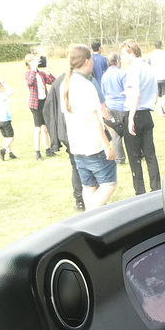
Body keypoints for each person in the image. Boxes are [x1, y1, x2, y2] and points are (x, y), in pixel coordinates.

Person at [60, 44, 117, 210]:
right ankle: (89, 216)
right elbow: (93, 119)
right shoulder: (86, 85)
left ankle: (91, 219)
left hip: (77, 145)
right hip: (93, 146)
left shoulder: (66, 83)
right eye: (91, 59)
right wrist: (107, 146)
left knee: (89, 186)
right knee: (109, 184)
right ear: (86, 62)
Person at [119, 39, 161, 196]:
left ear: (131, 52)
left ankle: (140, 192)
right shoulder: (148, 68)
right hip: (147, 114)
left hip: (135, 114)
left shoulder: (133, 69)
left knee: (134, 157)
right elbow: (153, 94)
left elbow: (136, 93)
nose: (123, 58)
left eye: (124, 54)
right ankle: (156, 188)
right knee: (150, 155)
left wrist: (130, 119)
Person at [43, 70, 85, 211]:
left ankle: (80, 200)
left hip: (65, 131)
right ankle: (83, 198)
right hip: (76, 130)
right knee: (85, 164)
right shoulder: (80, 80)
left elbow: (48, 109)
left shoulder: (58, 82)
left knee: (77, 165)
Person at [24, 54, 56, 160]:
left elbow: (52, 81)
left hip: (44, 102)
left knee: (45, 128)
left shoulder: (41, 73)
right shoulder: (28, 73)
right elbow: (30, 82)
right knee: (37, 129)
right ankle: (37, 153)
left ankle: (48, 150)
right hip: (35, 104)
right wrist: (33, 69)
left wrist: (48, 72)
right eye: (34, 60)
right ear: (29, 62)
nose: (37, 62)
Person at [101, 52, 127, 165]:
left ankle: (119, 158)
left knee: (116, 133)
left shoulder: (104, 75)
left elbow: (103, 93)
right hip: (123, 106)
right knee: (129, 132)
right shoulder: (122, 74)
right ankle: (135, 154)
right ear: (117, 61)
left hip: (110, 107)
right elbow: (128, 90)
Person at [0, 78, 17, 161]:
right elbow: (12, 91)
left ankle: (10, 153)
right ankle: (3, 150)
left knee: (5, 137)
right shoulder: (1, 96)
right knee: (11, 137)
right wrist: (4, 83)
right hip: (5, 118)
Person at [146, 40, 165, 115]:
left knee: (159, 94)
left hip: (155, 77)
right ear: (161, 45)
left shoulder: (151, 55)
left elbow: (147, 65)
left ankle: (160, 108)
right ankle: (161, 106)